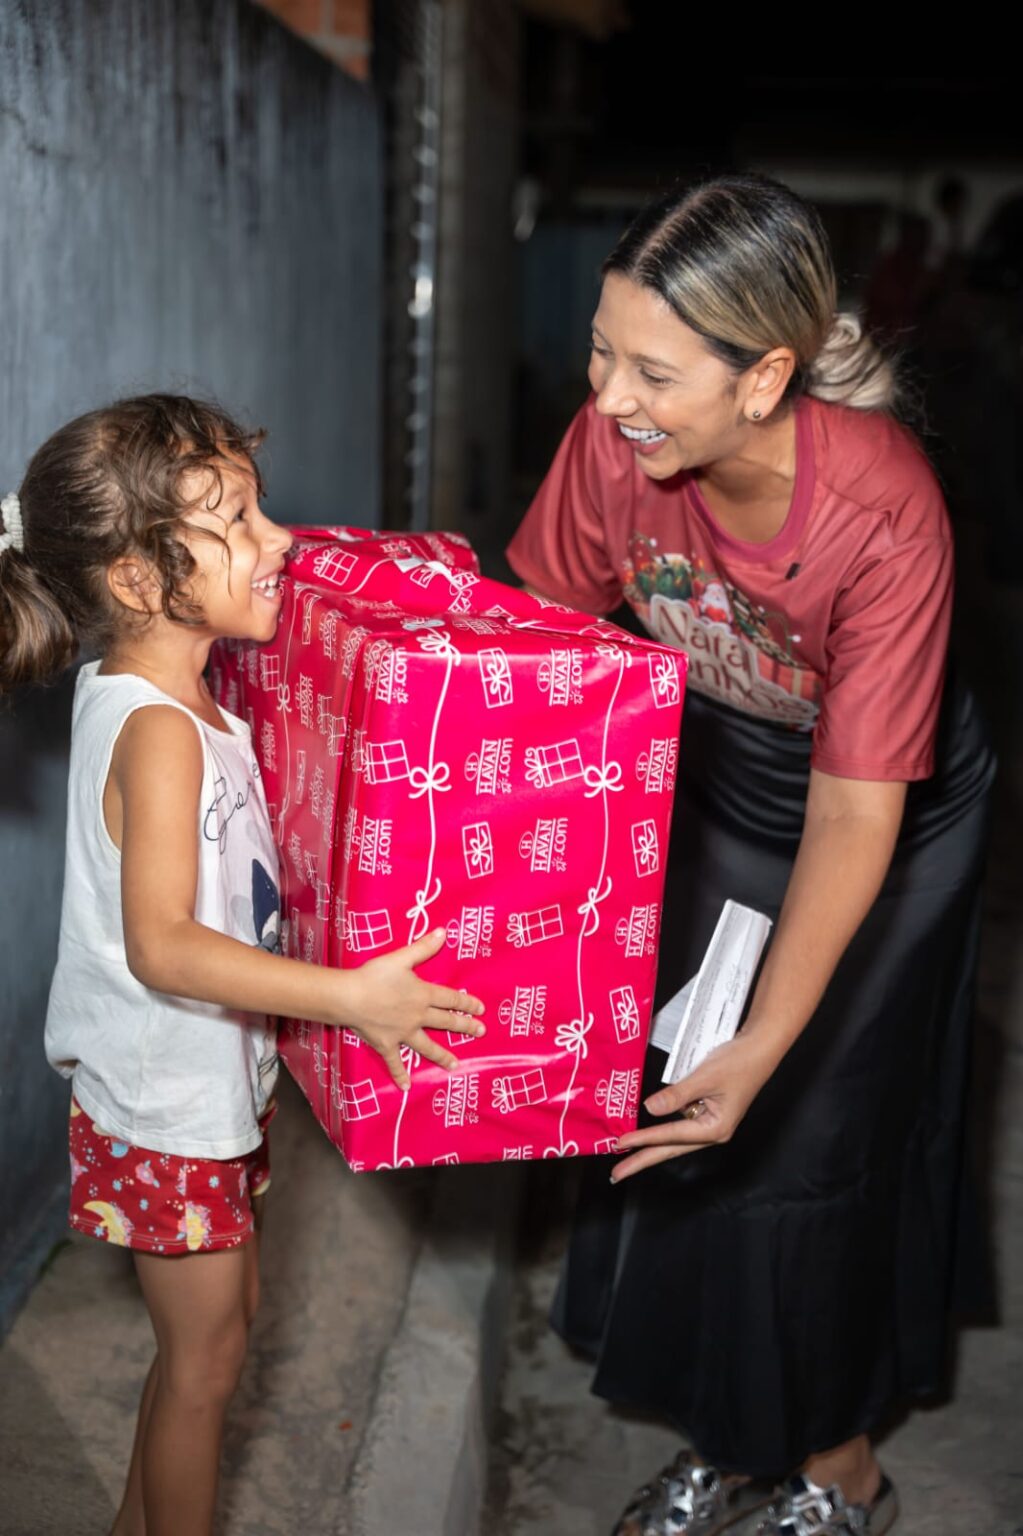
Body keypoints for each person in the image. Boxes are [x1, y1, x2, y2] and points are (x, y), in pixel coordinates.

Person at [506, 175, 994, 1536]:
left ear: (764, 374)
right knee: (677, 1106)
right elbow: (538, 650)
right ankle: (733, 1437)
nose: (608, 396)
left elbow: (855, 810)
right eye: (602, 353)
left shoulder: (879, 510)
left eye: (650, 370)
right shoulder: (620, 445)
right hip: (727, 776)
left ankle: (837, 1474)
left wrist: (772, 1037)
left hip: (886, 819)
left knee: (798, 1128)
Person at [0, 395, 486, 1536]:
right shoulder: (159, 729)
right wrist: (352, 998)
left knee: (213, 1346)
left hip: (201, 1091)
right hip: (169, 1106)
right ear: (136, 583)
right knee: (208, 1372)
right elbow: (164, 944)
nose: (280, 540)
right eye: (239, 522)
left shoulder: (179, 694)